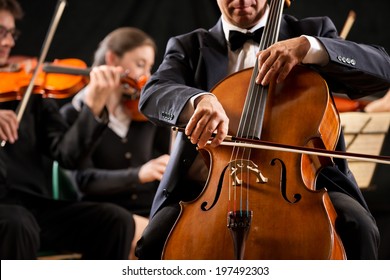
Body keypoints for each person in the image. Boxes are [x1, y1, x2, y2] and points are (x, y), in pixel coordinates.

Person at [136, 0, 390, 260]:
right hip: (206, 190)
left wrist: (309, 47)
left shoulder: (313, 31)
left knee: (359, 226)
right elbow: (152, 94)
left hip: (303, 185)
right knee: (153, 242)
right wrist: (198, 100)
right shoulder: (189, 46)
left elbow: (383, 68)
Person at [0, 0, 134, 259]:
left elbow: (68, 155)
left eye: (11, 33)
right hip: (13, 218)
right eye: (0, 33)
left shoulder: (32, 92)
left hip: (31, 205)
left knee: (114, 220)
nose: (9, 43)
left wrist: (93, 108)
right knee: (16, 222)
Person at [60, 27, 171, 259]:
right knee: (145, 240)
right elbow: (84, 181)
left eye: (150, 67)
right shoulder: (74, 115)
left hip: (150, 210)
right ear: (112, 59)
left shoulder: (146, 111)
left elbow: (165, 170)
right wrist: (139, 173)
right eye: (140, 64)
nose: (147, 76)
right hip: (103, 214)